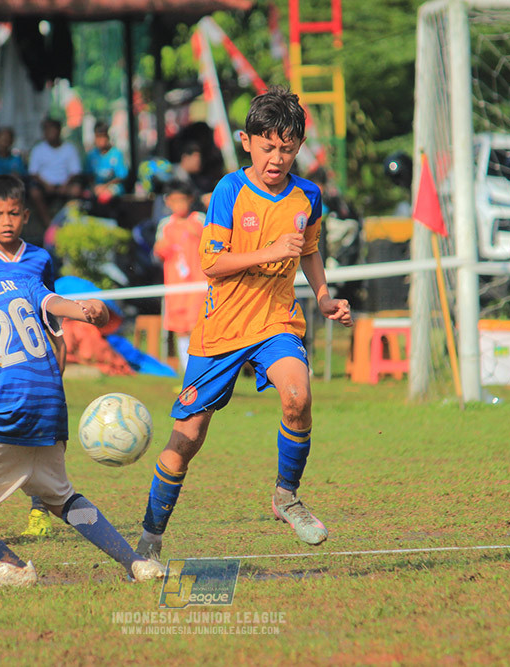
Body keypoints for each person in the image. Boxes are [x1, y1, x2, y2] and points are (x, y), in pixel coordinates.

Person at [134, 87, 353, 561]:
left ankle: (286, 497)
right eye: (268, 146)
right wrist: (270, 252)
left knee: (298, 396)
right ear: (247, 142)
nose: (277, 158)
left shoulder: (308, 195)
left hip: (277, 320)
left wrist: (323, 296)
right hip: (223, 330)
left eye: (287, 148)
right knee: (187, 437)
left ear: (299, 147)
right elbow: (211, 264)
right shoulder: (230, 190)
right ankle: (150, 535)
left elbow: (309, 250)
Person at [0, 200, 164, 588]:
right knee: (61, 498)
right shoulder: (19, 279)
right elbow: (54, 304)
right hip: (50, 406)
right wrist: (86, 310)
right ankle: (137, 564)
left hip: (4, 409)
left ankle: (8, 564)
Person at [0, 174, 66, 538]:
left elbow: (50, 307)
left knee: (41, 439)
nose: (6, 221)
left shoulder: (40, 258)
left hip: (36, 368)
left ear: (26, 216)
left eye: (13, 214)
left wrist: (61, 344)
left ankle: (40, 509)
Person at [152, 179, 205, 372]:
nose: (179, 204)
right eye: (174, 200)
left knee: (196, 326)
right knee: (181, 328)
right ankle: (187, 371)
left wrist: (199, 236)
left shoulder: (199, 220)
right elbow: (158, 251)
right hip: (175, 285)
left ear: (190, 199)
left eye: (182, 199)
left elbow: (212, 245)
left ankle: (201, 369)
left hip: (198, 284)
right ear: (168, 202)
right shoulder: (166, 224)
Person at [27, 117, 82, 227]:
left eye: (53, 130)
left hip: (65, 185)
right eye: (47, 130)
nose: (50, 133)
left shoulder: (69, 149)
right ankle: (49, 224)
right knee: (34, 192)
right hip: (44, 185)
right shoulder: (38, 149)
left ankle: (70, 222)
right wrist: (46, 185)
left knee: (76, 190)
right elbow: (33, 173)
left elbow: (75, 171)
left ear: (59, 131)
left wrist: (65, 185)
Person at [84, 121, 128, 205]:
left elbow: (121, 177)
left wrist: (104, 187)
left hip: (112, 187)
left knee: (105, 197)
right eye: (98, 137)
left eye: (103, 136)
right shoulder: (92, 155)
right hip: (96, 187)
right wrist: (94, 187)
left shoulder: (116, 154)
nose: (101, 140)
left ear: (108, 137)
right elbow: (88, 175)